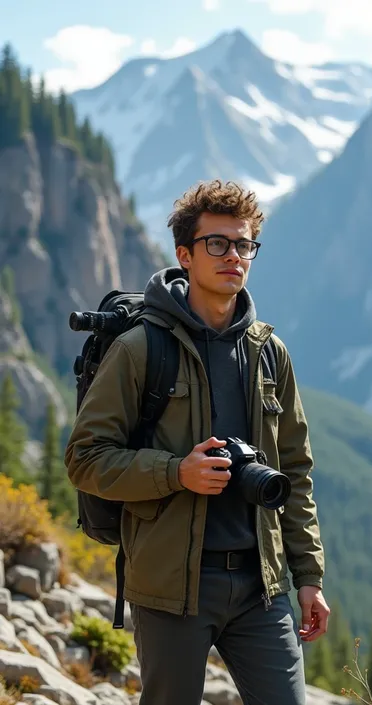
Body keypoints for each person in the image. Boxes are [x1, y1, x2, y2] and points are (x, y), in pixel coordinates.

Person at [65, 179, 329, 705]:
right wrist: (175, 472)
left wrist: (309, 576)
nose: (234, 256)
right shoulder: (142, 349)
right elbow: (84, 458)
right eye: (217, 244)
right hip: (171, 587)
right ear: (185, 254)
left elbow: (295, 471)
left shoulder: (269, 353)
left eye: (244, 244)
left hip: (262, 587)